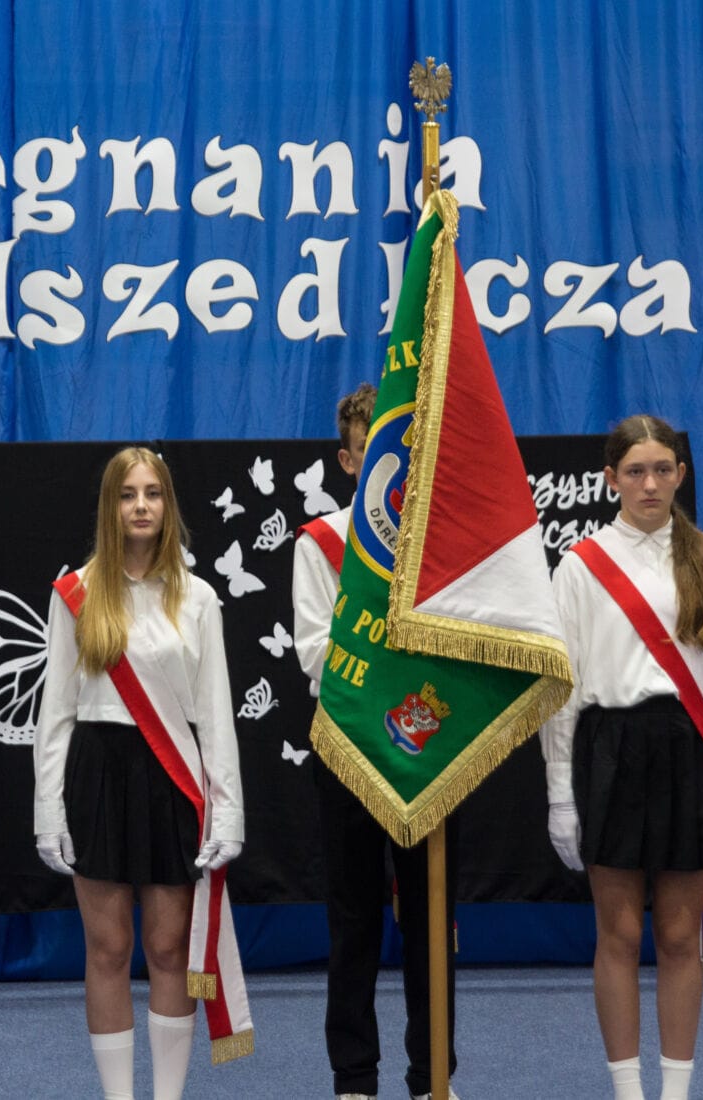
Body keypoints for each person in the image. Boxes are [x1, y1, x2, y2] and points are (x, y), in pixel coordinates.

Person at [540, 415, 703, 1100]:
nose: (649, 484)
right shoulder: (580, 566)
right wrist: (560, 794)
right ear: (610, 479)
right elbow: (560, 691)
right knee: (617, 933)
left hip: (691, 754)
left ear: (680, 475)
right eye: (635, 471)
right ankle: (627, 1091)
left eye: (662, 470)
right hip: (608, 753)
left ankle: (675, 1092)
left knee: (677, 934)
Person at [33, 446, 246, 1100]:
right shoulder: (75, 595)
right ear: (110, 506)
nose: (141, 506)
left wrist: (229, 814)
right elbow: (55, 716)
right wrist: (48, 813)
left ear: (168, 503)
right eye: (128, 495)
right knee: (107, 948)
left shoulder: (200, 598)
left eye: (152, 493)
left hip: (172, 781)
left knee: (167, 948)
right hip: (97, 776)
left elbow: (216, 716)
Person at [293, 383, 461, 1100]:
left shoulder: (442, 544)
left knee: (431, 918)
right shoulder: (321, 545)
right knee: (354, 918)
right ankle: (354, 1079)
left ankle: (432, 1077)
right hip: (348, 748)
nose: (389, 463)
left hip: (430, 745)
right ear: (349, 460)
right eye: (371, 451)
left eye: (403, 450)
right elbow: (315, 655)